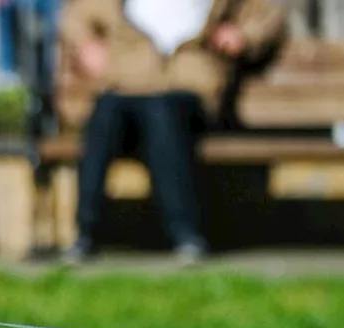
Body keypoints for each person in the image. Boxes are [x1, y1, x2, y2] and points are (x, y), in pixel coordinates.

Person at [58, 0, 285, 265]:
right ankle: (85, 234)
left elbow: (269, 16)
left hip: (189, 90)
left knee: (161, 112)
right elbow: (74, 17)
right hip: (129, 88)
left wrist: (243, 35)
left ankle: (186, 235)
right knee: (106, 111)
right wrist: (86, 43)